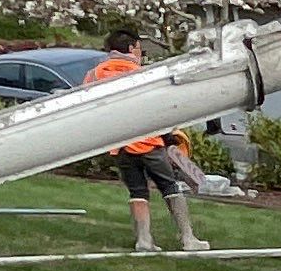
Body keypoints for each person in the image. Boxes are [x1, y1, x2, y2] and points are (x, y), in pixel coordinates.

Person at [83, 24, 204, 253]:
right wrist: (169, 135)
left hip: (120, 145)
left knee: (137, 191)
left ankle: (144, 240)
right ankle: (188, 238)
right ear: (131, 47)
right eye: (139, 48)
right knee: (169, 186)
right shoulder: (142, 74)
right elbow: (159, 107)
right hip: (149, 142)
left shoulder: (95, 74)